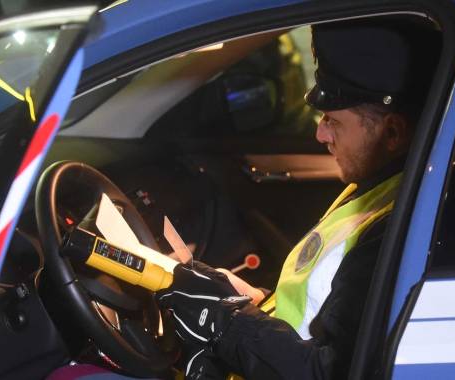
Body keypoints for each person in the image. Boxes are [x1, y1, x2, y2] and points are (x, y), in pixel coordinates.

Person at [156, 19, 440, 379]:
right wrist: (252, 304)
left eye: (333, 121)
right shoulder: (383, 189)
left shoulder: (395, 231)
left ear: (393, 132)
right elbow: (315, 316)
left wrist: (225, 322)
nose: (320, 133)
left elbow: (330, 372)